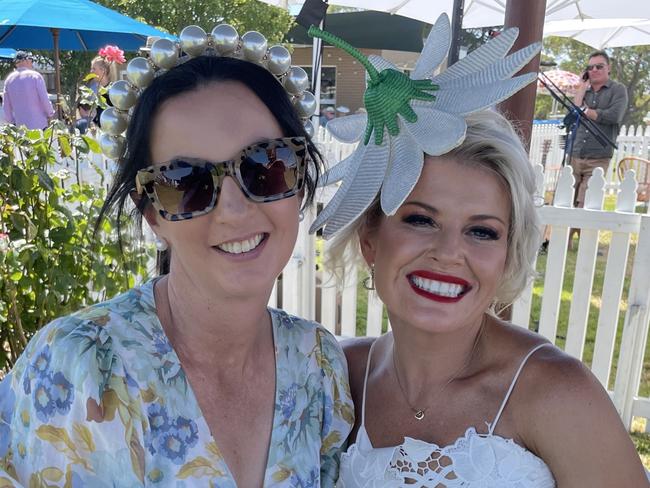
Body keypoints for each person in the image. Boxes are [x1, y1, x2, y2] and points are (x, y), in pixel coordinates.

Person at [0, 26, 353, 487]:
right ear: (152, 214)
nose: (233, 208)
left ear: (299, 173)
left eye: (265, 165)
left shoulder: (318, 366)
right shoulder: (79, 366)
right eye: (185, 182)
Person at [309, 15, 649, 487]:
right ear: (370, 238)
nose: (449, 253)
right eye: (421, 220)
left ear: (508, 251)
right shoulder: (337, 379)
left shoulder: (555, 393)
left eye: (482, 232)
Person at [571, 50, 628, 209]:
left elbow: (614, 116)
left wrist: (588, 112)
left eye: (599, 66)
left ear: (608, 68)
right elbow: (574, 112)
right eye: (590, 67)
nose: (594, 70)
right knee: (566, 200)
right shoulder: (584, 92)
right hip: (575, 154)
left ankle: (580, 234)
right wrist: (582, 87)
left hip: (598, 156)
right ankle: (565, 235)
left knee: (585, 204)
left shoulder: (618, 90)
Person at [2, 51, 54, 130]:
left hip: (20, 128)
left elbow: (6, 106)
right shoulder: (35, 76)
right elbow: (44, 99)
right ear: (25, 60)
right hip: (39, 126)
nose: (31, 62)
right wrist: (50, 114)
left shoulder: (9, 80)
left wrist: (11, 122)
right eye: (30, 59)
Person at [89, 45, 124, 126]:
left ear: (103, 70)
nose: (91, 71)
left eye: (94, 69)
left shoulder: (112, 91)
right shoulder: (99, 90)